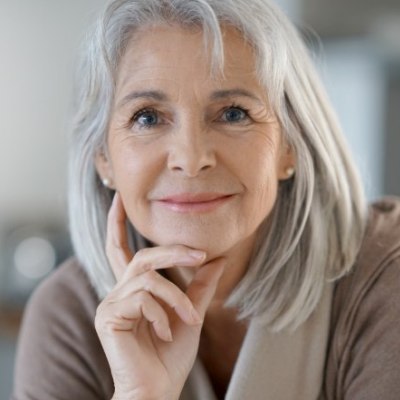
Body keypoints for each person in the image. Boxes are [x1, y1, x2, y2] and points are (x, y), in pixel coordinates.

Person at [11, 0, 400, 399]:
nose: (192, 158)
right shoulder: (70, 314)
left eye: (233, 113)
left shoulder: (387, 278)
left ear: (290, 146)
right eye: (147, 117)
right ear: (103, 158)